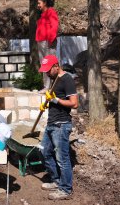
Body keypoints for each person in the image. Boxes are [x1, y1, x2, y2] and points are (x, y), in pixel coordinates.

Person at [38, 55, 78, 200]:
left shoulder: (67, 79)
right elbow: (55, 97)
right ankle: (56, 180)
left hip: (61, 125)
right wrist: (47, 103)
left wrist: (56, 100)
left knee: (62, 158)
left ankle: (66, 189)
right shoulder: (54, 79)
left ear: (56, 66)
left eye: (48, 70)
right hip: (51, 123)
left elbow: (74, 103)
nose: (46, 73)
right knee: (44, 152)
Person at [36, 0, 59, 93]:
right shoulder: (42, 14)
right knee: (44, 64)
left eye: (39, 3)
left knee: (51, 64)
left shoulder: (51, 12)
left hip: (48, 41)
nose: (38, 5)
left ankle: (54, 86)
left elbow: (55, 26)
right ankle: (46, 86)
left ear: (44, 3)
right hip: (41, 41)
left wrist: (51, 40)